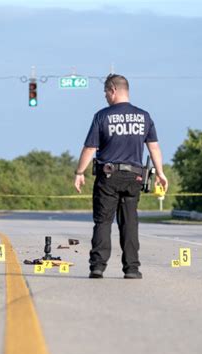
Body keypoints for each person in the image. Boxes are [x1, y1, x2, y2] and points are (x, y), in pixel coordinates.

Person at [74, 74, 168, 279]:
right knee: (130, 223)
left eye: (106, 93)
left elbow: (90, 148)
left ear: (113, 90)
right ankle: (132, 268)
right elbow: (154, 147)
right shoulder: (144, 116)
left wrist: (80, 172)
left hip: (108, 176)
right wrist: (160, 173)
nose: (105, 97)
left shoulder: (102, 116)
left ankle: (98, 266)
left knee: (103, 221)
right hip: (134, 178)